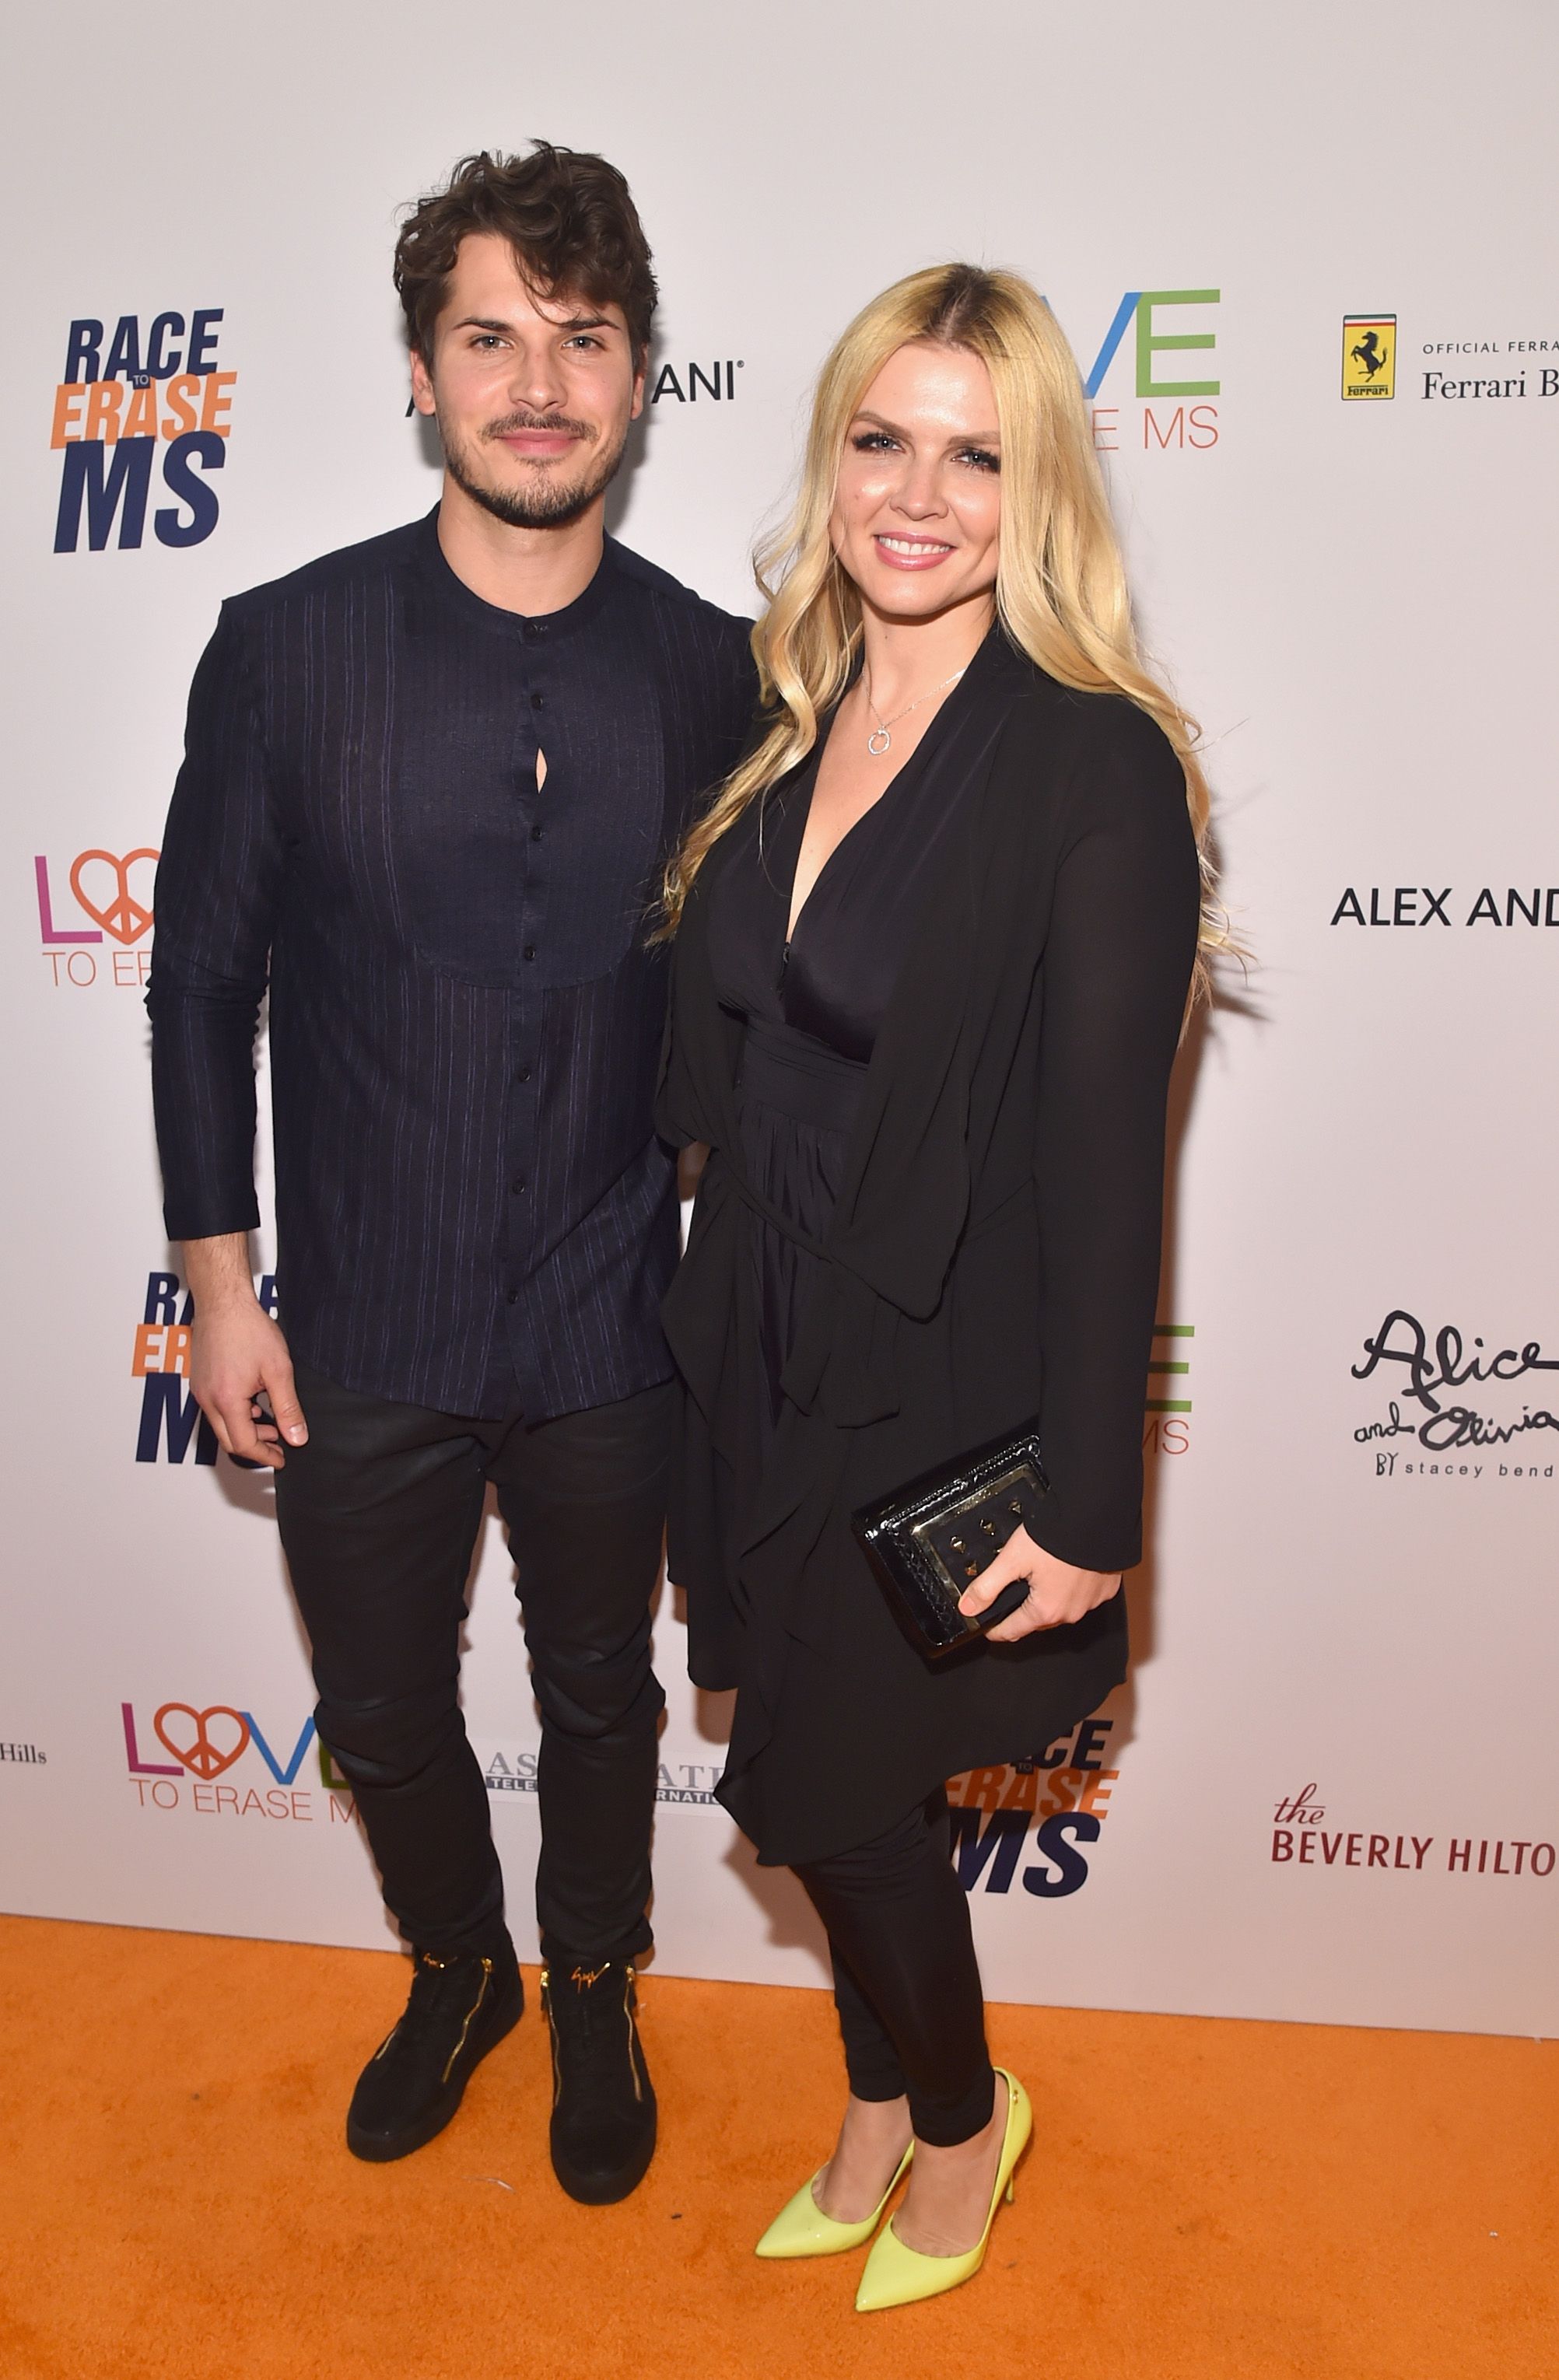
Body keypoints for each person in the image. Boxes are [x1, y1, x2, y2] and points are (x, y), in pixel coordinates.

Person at [145, 142, 756, 2206]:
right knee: (385, 1703)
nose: (536, 383)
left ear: (639, 377)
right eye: (490, 335)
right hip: (367, 1306)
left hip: (607, 1299)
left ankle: (591, 1976)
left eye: (581, 340)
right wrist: (220, 1280)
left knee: (602, 1690)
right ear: (422, 370)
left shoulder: (708, 667)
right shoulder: (286, 647)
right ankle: (458, 1968)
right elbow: (197, 977)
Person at [656, 264, 1211, 2308]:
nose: (918, 493)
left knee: (832, 1781)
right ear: (829, 458)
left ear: (1036, 484)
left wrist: (1088, 1503)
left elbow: (1102, 1167)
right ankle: (878, 2096)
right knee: (786, 1768)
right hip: (759, 1346)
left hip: (938, 1379)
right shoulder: (783, 724)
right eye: (881, 440)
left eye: (976, 454)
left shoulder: (1090, 767)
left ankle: (960, 2115)